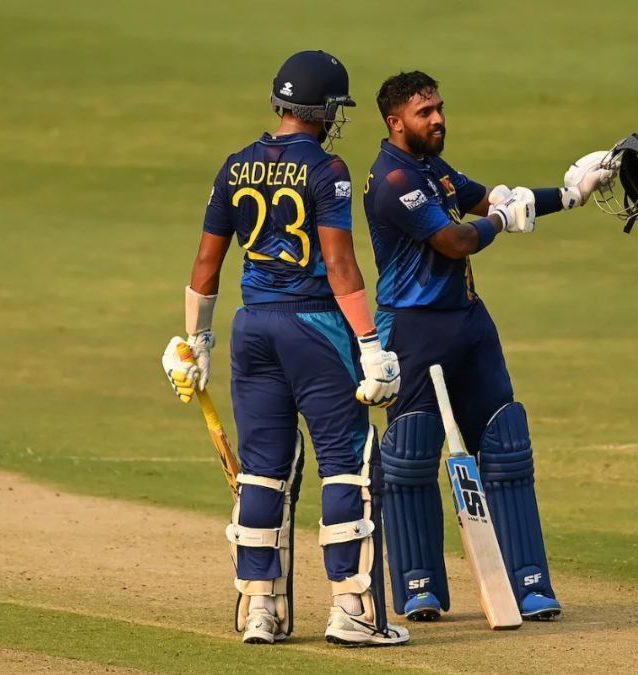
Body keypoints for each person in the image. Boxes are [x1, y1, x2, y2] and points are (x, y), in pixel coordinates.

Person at [161, 51, 408, 647]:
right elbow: (340, 262)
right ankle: (350, 610)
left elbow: (205, 264)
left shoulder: (235, 166)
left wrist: (197, 343)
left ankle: (259, 612)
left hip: (252, 329)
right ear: (324, 111)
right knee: (346, 464)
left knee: (264, 473)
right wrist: (370, 344)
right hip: (317, 328)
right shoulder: (329, 169)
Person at [363, 70, 617, 622]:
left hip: (469, 324)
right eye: (424, 112)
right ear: (395, 122)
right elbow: (454, 240)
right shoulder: (392, 180)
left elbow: (489, 199)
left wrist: (570, 195)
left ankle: (529, 584)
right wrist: (503, 219)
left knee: (505, 444)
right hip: (414, 329)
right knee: (410, 457)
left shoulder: (433, 168)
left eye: (439, 108)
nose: (438, 119)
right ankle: (420, 585)